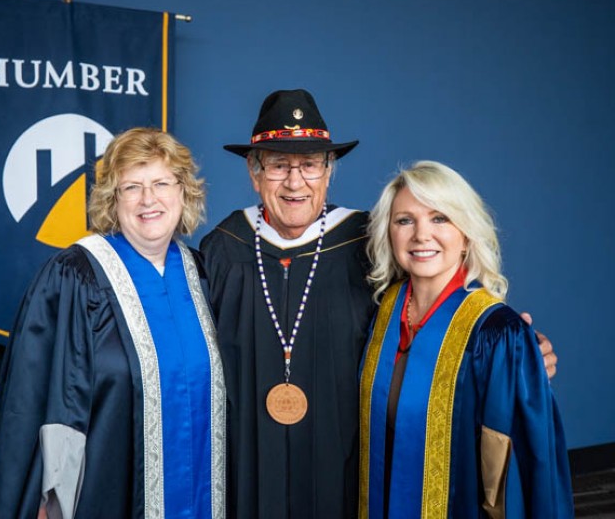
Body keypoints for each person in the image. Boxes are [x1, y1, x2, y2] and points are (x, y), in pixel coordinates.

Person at [199, 89, 559, 519]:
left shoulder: (366, 243)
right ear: (254, 172)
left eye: (311, 165)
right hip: (249, 470)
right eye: (278, 165)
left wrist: (512, 351)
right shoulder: (223, 250)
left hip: (354, 474)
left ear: (329, 171)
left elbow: (440, 299)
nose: (295, 182)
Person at [0, 128, 226, 519]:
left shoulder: (202, 274)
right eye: (132, 187)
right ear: (113, 200)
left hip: (200, 495)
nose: (149, 199)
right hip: (104, 497)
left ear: (183, 191)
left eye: (162, 183)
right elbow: (43, 400)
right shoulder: (75, 277)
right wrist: (52, 501)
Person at [358, 160, 573, 518]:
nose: (421, 235)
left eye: (440, 218)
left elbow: (520, 472)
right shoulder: (385, 311)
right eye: (405, 220)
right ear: (389, 232)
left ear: (467, 233)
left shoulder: (498, 334)